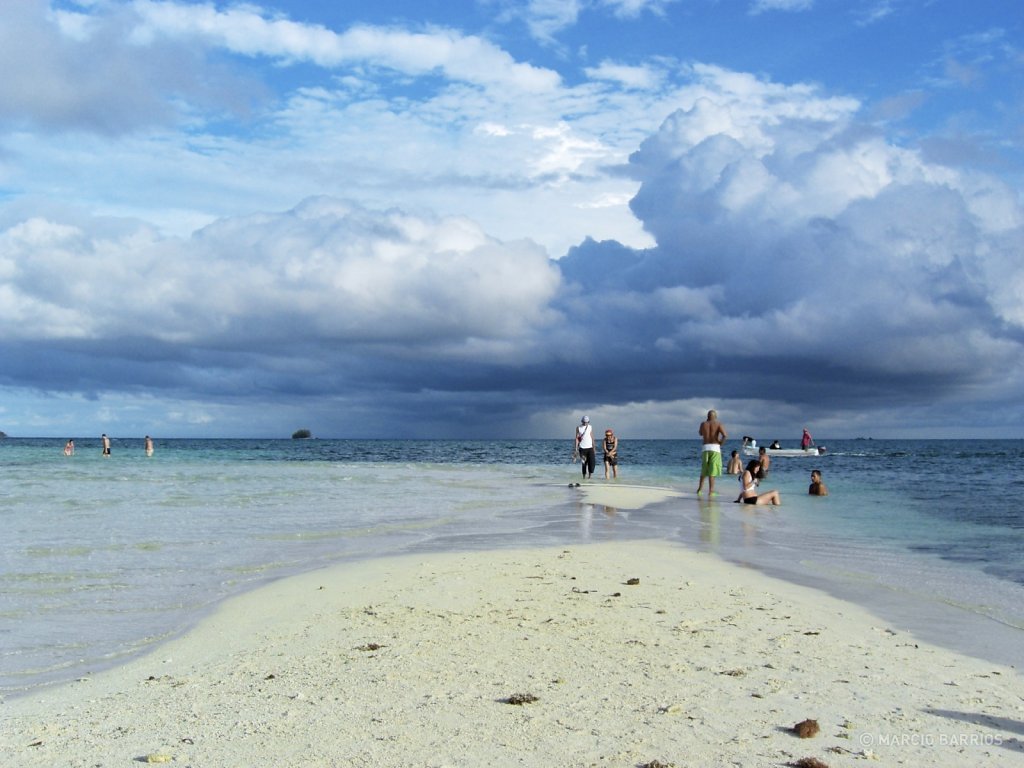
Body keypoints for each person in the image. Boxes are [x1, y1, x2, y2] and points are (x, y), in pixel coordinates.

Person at [696, 409, 727, 495]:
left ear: (707, 416)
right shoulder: (718, 424)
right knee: (712, 471)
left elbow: (700, 433)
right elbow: (725, 435)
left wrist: (706, 423)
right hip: (715, 447)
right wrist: (721, 443)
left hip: (705, 447)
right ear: (715, 416)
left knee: (704, 470)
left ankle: (699, 489)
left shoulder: (703, 424)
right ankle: (711, 491)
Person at [574, 416, 596, 480]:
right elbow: (577, 438)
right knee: (584, 463)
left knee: (592, 462)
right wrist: (576, 448)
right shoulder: (578, 428)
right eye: (584, 422)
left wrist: (594, 446)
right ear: (582, 421)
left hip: (590, 448)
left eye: (587, 422)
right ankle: (584, 477)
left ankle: (590, 477)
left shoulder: (590, 427)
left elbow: (592, 437)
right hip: (582, 448)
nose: (585, 423)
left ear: (588, 422)